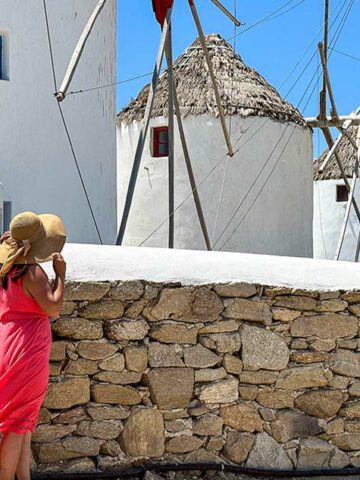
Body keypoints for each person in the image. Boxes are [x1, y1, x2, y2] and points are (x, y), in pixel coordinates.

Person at [0, 211, 66, 480]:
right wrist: (61, 275)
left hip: (7, 341)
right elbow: (54, 307)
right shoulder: (32, 272)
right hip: (27, 350)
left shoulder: (6, 269)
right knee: (17, 424)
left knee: (23, 420)